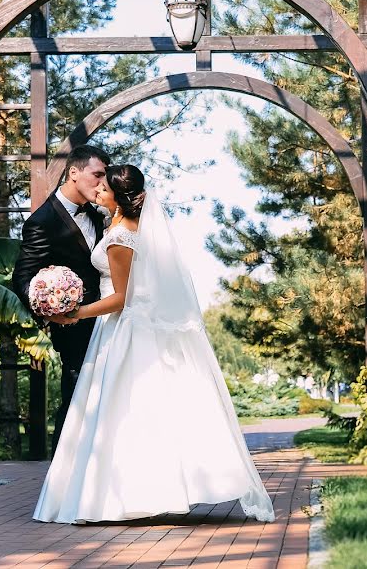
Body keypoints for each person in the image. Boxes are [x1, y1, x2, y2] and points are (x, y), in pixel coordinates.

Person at [32, 164, 275, 524]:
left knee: (124, 410)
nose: (98, 190)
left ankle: (121, 497)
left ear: (118, 197)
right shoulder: (119, 226)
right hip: (120, 327)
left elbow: (121, 299)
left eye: (104, 187)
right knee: (126, 411)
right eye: (97, 184)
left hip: (123, 327)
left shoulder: (120, 237)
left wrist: (75, 312)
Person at [12, 144, 111, 452]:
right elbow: (23, 279)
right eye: (97, 175)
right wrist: (51, 312)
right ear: (74, 172)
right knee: (76, 399)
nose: (102, 183)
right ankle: (61, 479)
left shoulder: (99, 214)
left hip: (111, 319)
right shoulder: (42, 222)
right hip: (73, 328)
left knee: (107, 401)